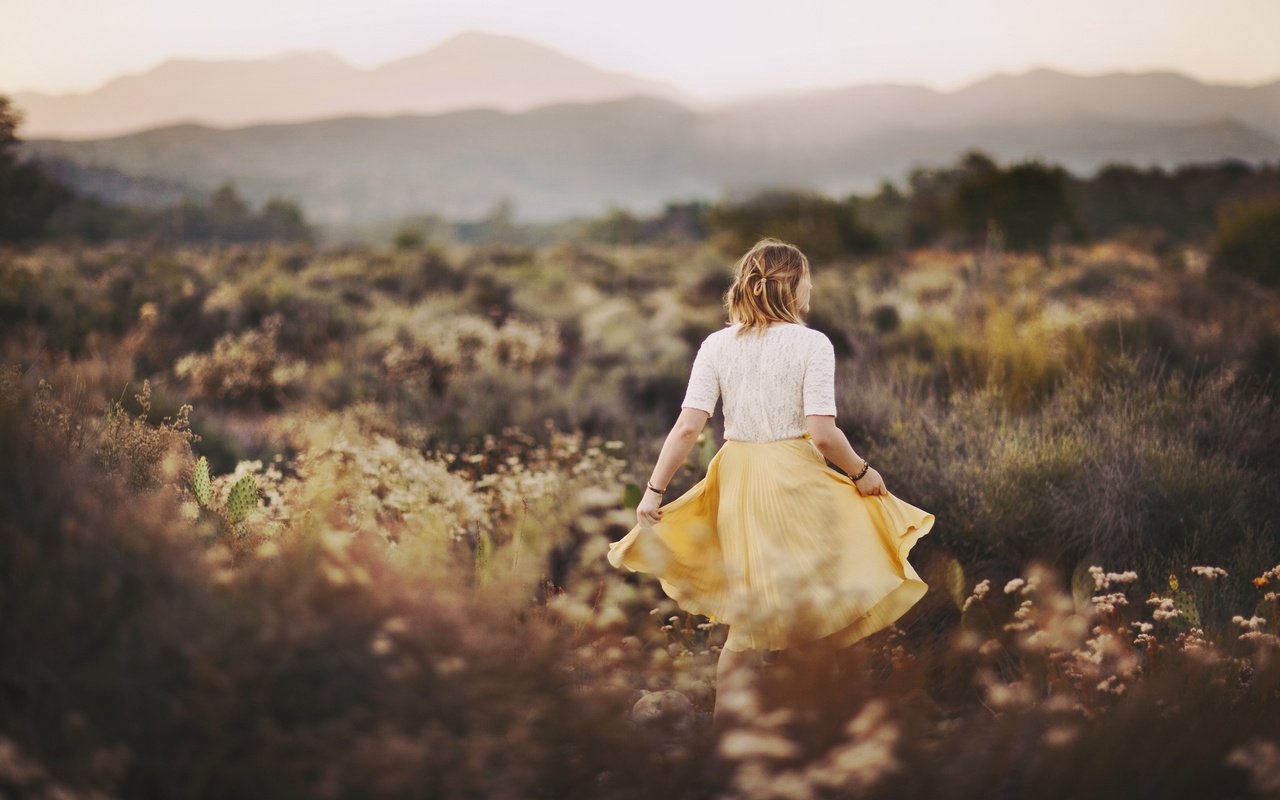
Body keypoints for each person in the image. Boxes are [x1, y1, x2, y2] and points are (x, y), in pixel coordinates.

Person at [606, 237, 936, 725]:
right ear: (792, 284)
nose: (812, 286)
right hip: (795, 479)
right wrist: (864, 474)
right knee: (822, 596)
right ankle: (824, 723)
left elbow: (688, 429)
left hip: (737, 477)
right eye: (807, 277)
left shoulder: (716, 345)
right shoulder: (812, 344)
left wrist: (654, 492)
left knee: (749, 614)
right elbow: (824, 435)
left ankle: (728, 731)